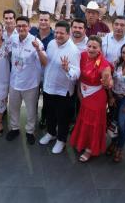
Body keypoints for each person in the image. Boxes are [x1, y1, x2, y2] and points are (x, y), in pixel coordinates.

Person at [39, 21, 81, 154]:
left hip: (63, 91)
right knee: (49, 114)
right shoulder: (51, 43)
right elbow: (47, 62)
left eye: (61, 33)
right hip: (49, 87)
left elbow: (76, 73)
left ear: (68, 34)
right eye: (56, 32)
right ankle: (51, 133)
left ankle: (61, 140)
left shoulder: (74, 50)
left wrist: (67, 68)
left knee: (63, 118)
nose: (58, 35)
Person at [69, 35, 112, 162]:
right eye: (89, 46)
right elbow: (77, 74)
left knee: (93, 123)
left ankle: (90, 148)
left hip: (96, 96)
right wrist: (78, 91)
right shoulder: (82, 56)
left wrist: (109, 83)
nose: (91, 49)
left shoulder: (104, 64)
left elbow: (109, 83)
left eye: (95, 47)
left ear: (100, 49)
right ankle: (82, 142)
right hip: (83, 93)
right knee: (83, 120)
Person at [6, 16, 46, 144]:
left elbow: (45, 62)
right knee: (13, 107)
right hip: (14, 82)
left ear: (29, 27)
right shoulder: (12, 39)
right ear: (16, 27)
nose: (21, 28)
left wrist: (38, 49)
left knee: (31, 110)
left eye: (24, 26)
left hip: (30, 84)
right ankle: (14, 128)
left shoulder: (36, 42)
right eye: (19, 26)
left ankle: (30, 131)